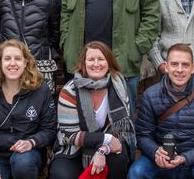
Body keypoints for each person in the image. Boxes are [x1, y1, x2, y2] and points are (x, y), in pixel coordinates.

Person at [129, 43, 194, 179]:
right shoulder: (150, 95)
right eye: (174, 64)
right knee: (136, 172)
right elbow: (143, 135)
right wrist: (156, 152)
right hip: (159, 158)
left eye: (185, 65)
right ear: (166, 67)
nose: (179, 70)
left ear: (193, 68)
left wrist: (185, 158)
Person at [0, 40, 57, 179]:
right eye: (7, 58)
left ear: (26, 62)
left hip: (30, 152)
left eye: (18, 58)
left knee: (23, 163)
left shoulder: (40, 89)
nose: (13, 63)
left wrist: (31, 142)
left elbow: (50, 129)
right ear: (0, 62)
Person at [51, 42, 136, 179]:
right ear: (83, 64)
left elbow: (120, 131)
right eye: (91, 59)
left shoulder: (118, 86)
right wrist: (105, 138)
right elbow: (70, 135)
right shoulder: (70, 90)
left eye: (101, 59)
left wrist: (102, 150)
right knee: (62, 174)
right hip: (74, 148)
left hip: (107, 147)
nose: (96, 64)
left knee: (118, 161)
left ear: (109, 62)